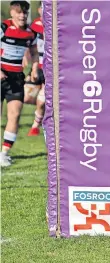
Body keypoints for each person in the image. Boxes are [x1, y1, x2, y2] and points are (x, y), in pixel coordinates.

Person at [1, 0, 39, 167]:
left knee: (15, 115)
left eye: (25, 12)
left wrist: (35, 69)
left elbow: (34, 52)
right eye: (19, 12)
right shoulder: (4, 28)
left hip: (16, 78)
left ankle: (4, 154)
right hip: (1, 75)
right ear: (12, 13)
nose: (22, 15)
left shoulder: (31, 33)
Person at [24, 4, 45, 136]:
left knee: (42, 100)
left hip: (49, 68)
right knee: (26, 97)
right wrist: (26, 59)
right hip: (37, 66)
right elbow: (28, 45)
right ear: (39, 10)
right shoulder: (35, 26)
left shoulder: (58, 24)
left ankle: (35, 126)